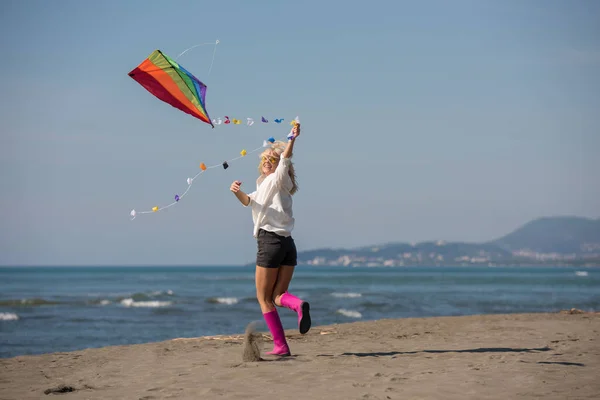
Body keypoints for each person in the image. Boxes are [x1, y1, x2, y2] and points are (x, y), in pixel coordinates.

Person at [229, 123, 310, 357]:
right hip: (287, 245)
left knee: (264, 298)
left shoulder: (278, 178)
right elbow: (250, 201)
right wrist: (236, 192)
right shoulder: (263, 185)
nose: (268, 161)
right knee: (277, 296)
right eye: (264, 159)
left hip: (270, 243)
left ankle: (281, 345)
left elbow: (285, 160)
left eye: (271, 159)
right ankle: (297, 305)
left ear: (278, 165)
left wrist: (292, 139)